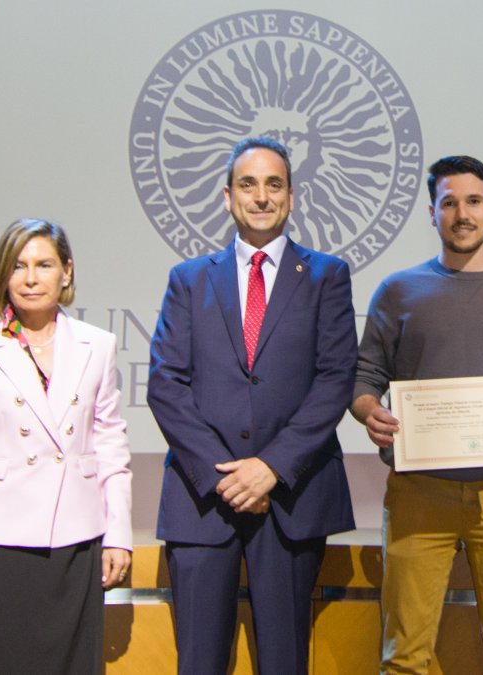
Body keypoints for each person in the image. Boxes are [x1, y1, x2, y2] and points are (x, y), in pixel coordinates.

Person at [148, 136, 357, 674]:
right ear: (227, 197)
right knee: (198, 661)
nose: (261, 196)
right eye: (248, 184)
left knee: (285, 661)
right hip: (203, 499)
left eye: (274, 184)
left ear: (291, 195)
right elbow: (166, 384)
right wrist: (228, 478)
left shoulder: (327, 276)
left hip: (292, 496)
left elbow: (334, 380)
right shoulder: (189, 280)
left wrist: (270, 468)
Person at [352, 155, 483, 674]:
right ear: (432, 214)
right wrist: (369, 413)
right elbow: (363, 380)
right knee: (404, 658)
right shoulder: (398, 290)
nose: (462, 214)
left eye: (473, 201)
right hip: (418, 493)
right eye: (449, 203)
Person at [0, 218, 133, 674]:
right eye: (18, 266)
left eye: (43, 265)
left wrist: (118, 534)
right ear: (3, 275)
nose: (30, 277)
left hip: (75, 542)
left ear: (66, 272)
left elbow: (110, 446)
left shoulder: (97, 345)